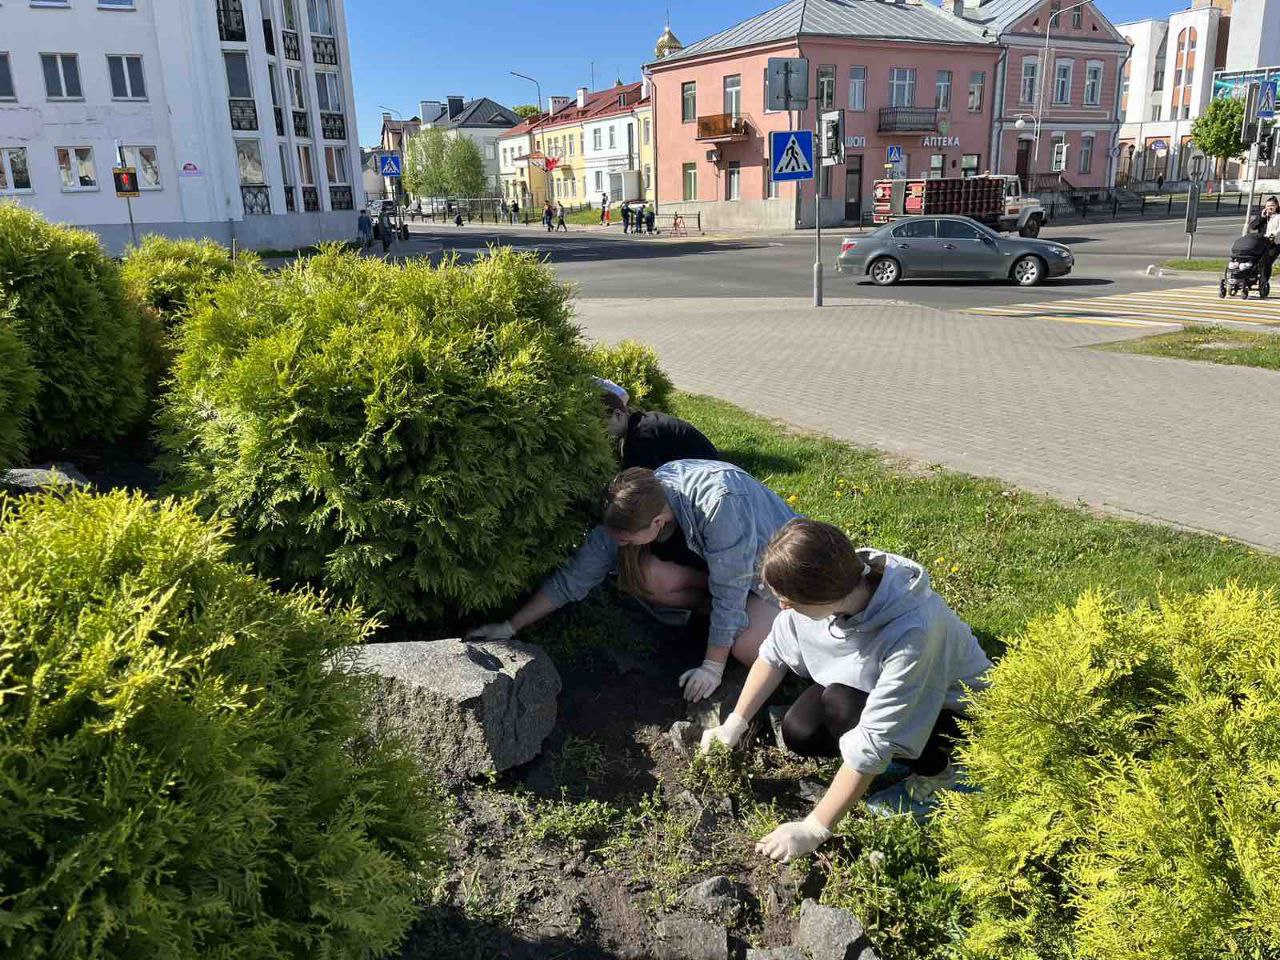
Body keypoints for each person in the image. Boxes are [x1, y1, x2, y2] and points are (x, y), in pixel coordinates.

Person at [700, 519, 992, 862]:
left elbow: (875, 739)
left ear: (822, 596)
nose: (783, 608)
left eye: (789, 601)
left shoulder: (913, 631)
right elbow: (774, 654)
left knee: (843, 708)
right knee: (800, 732)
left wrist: (814, 828)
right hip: (869, 690)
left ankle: (942, 773)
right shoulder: (830, 588)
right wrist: (735, 723)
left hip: (953, 718)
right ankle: (892, 764)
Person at [467, 461, 800, 698]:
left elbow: (730, 592)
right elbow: (574, 578)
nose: (619, 544)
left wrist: (712, 667)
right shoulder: (642, 497)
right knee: (644, 576)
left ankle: (784, 653)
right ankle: (718, 629)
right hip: (727, 579)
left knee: (753, 650)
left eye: (626, 539)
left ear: (656, 523)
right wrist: (511, 626)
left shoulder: (720, 506)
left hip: (777, 581)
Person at [599, 384, 718, 470]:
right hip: (705, 466)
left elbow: (644, 483)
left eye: (602, 424)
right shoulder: (640, 422)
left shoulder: (642, 435)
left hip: (708, 474)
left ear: (618, 414)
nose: (600, 431)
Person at [1249, 194, 1280, 282]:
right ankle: (1253, 278)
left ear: (1276, 206)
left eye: (1272, 206)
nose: (1270, 208)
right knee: (1256, 261)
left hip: (1274, 244)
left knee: (1266, 262)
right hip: (1262, 243)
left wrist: (1274, 235)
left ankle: (1263, 282)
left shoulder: (1278, 216)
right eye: (1268, 206)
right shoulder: (1263, 215)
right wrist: (1262, 217)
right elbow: (1253, 226)